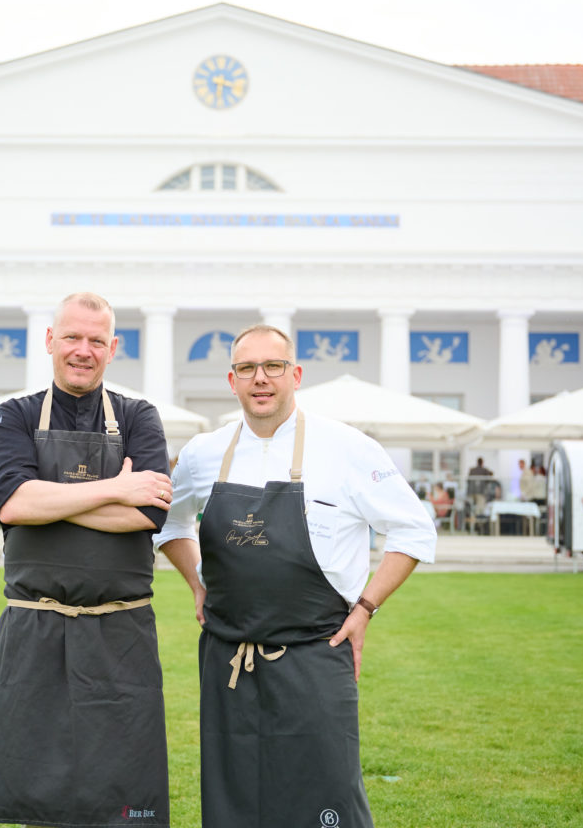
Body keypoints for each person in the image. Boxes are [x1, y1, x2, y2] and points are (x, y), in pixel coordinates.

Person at [157, 324, 436, 828]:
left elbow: (413, 531)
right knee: (234, 800)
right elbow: (168, 521)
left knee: (325, 799)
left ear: (295, 375)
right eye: (247, 369)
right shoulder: (203, 453)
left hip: (316, 655)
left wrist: (366, 608)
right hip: (227, 660)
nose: (260, 379)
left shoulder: (348, 448)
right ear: (233, 379)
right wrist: (197, 580)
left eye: (273, 367)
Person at [0, 292, 173, 828]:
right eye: (72, 337)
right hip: (36, 629)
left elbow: (148, 516)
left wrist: (48, 500)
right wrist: (115, 488)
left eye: (96, 340)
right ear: (50, 340)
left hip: (121, 631)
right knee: (37, 790)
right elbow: (12, 502)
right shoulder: (16, 414)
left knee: (124, 796)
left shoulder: (139, 416)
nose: (83, 350)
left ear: (113, 348)